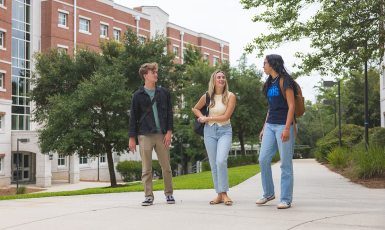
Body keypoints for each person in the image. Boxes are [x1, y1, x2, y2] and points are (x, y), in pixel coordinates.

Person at [128, 62, 175, 206]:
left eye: (156, 71)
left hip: (162, 135)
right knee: (146, 168)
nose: (156, 74)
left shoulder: (164, 92)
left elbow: (169, 114)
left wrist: (169, 133)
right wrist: (132, 138)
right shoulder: (137, 95)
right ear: (145, 76)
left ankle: (169, 194)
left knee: (166, 167)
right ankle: (148, 196)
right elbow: (133, 117)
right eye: (153, 72)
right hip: (144, 135)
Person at [256, 54, 298, 209]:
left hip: (283, 125)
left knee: (285, 164)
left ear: (272, 64)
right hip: (270, 125)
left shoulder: (285, 81)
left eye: (265, 63)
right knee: (263, 160)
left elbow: (291, 106)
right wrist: (263, 127)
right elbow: (270, 108)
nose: (263, 66)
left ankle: (286, 198)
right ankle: (268, 193)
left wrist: (287, 129)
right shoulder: (269, 82)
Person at [193, 70, 236, 205]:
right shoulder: (207, 96)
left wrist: (208, 118)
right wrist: (201, 117)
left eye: (223, 77)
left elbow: (226, 117)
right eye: (219, 77)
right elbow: (195, 108)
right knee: (213, 163)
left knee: (221, 161)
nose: (222, 79)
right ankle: (219, 195)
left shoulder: (230, 96)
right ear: (214, 80)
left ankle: (225, 194)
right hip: (209, 131)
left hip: (224, 131)